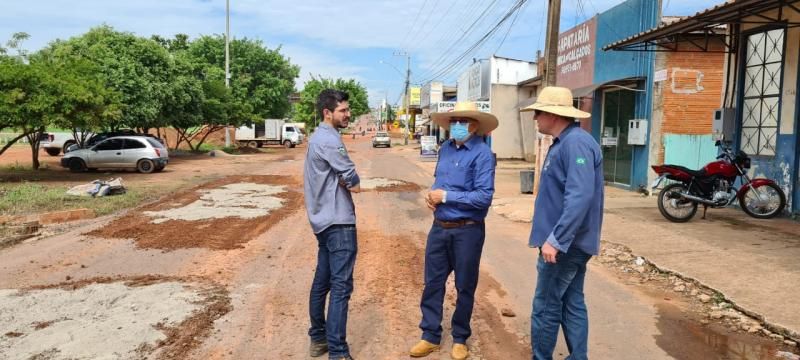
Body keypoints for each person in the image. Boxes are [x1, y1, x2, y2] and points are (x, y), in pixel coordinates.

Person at [409, 102, 498, 360]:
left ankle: (460, 338)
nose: (456, 125)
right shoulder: (445, 149)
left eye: (462, 120)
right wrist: (433, 197)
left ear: (474, 125)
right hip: (440, 228)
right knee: (433, 283)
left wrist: (445, 196)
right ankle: (430, 335)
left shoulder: (482, 154)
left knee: (465, 285)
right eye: (453, 120)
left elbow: (483, 197)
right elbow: (440, 183)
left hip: (467, 231)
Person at [521, 87, 604, 360]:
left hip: (566, 245)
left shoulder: (575, 143)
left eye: (538, 113)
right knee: (571, 301)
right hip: (568, 242)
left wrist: (556, 240)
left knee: (546, 304)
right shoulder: (565, 142)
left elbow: (580, 197)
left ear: (552, 115)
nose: (535, 119)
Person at [304, 89, 361, 360]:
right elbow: (352, 178)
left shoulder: (318, 137)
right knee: (340, 287)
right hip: (338, 222)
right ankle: (338, 352)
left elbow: (341, 176)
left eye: (348, 110)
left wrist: (343, 178)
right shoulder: (329, 139)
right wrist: (351, 180)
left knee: (322, 283)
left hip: (323, 222)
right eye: (343, 110)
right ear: (328, 113)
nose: (348, 114)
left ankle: (318, 340)